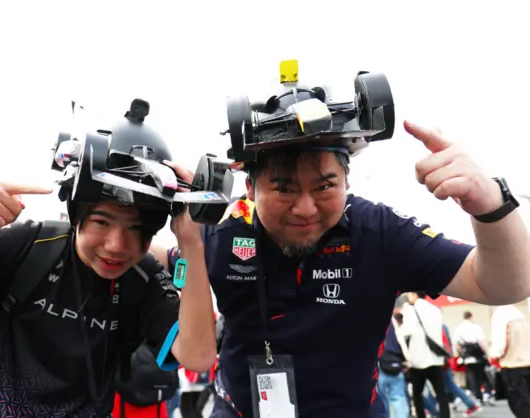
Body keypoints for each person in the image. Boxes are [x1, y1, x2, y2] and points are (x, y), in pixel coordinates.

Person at [151, 67, 530, 417]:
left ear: (346, 180)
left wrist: (493, 207)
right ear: (249, 188)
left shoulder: (379, 233)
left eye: (324, 185)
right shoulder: (226, 230)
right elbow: (156, 257)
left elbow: (501, 284)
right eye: (283, 188)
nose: (305, 208)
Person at [0, 101, 217, 417]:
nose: (117, 245)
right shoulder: (30, 245)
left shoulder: (142, 277)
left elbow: (199, 357)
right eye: (101, 222)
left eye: (136, 228)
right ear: (77, 216)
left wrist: (192, 244)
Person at [489, 304, 530, 416]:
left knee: (521, 408)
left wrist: (492, 355)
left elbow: (499, 345)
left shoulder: (500, 315)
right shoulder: (520, 314)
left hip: (513, 366)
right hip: (527, 363)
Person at [455, 311, 494, 405]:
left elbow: (456, 344)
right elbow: (482, 342)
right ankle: (487, 394)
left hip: (467, 357)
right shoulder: (476, 327)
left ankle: (478, 396)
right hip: (478, 356)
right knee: (482, 376)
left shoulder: (459, 329)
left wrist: (461, 354)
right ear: (471, 316)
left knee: (472, 377)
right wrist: (488, 354)